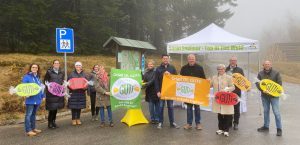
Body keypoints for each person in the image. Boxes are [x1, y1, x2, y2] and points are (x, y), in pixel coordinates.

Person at [256, 60, 283, 136]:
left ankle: (279, 129)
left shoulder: (276, 73)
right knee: (266, 111)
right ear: (263, 65)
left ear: (271, 65)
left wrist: (272, 91)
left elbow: (279, 84)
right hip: (264, 96)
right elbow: (257, 83)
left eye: (268, 64)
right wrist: (262, 90)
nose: (267, 65)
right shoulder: (260, 73)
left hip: (274, 97)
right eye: (265, 64)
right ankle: (266, 126)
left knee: (276, 112)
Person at [180, 54, 206, 130]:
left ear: (195, 59)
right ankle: (189, 123)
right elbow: (180, 79)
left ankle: (198, 123)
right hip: (187, 92)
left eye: (193, 58)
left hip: (197, 92)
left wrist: (207, 83)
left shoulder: (200, 68)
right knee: (189, 108)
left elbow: (203, 79)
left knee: (197, 108)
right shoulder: (184, 68)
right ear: (188, 59)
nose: (191, 60)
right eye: (190, 59)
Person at [155, 54, 180, 129]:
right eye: (164, 58)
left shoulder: (172, 68)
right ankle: (160, 122)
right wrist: (157, 91)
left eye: (167, 58)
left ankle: (172, 122)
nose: (165, 60)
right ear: (162, 59)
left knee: (170, 107)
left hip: (170, 91)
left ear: (168, 59)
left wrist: (171, 75)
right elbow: (156, 81)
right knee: (161, 107)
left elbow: (176, 78)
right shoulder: (158, 69)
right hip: (162, 91)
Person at [211, 64, 235, 137]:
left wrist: (227, 89)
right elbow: (209, 85)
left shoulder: (229, 77)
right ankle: (220, 128)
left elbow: (233, 87)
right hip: (217, 99)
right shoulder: (214, 77)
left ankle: (226, 130)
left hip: (226, 98)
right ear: (217, 70)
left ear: (224, 70)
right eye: (219, 69)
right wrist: (207, 82)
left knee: (227, 114)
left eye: (222, 69)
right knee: (220, 113)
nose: (220, 70)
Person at [23, 63, 45, 136]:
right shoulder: (26, 77)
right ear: (30, 68)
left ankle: (33, 128)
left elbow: (41, 88)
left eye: (36, 67)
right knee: (28, 115)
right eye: (33, 67)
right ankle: (28, 130)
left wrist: (43, 96)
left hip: (37, 99)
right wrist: (26, 94)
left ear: (38, 69)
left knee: (33, 115)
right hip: (30, 99)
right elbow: (24, 87)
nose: (34, 68)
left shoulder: (38, 78)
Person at [44, 60, 65, 129]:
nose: (56, 64)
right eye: (55, 63)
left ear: (59, 64)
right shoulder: (49, 72)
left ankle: (53, 122)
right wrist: (48, 87)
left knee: (56, 109)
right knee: (51, 109)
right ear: (53, 64)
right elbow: (45, 81)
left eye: (58, 63)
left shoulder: (62, 72)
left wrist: (64, 85)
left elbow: (62, 81)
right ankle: (49, 123)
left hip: (58, 93)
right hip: (51, 93)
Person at [225, 56, 244, 130]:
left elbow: (243, 80)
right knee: (229, 107)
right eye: (232, 60)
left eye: (234, 60)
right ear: (229, 61)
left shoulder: (240, 70)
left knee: (236, 108)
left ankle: (236, 123)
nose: (233, 62)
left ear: (236, 61)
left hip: (237, 91)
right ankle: (229, 122)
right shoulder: (226, 69)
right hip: (228, 91)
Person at [68, 62, 88, 126]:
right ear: (75, 66)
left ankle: (78, 119)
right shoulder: (71, 74)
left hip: (81, 92)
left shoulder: (84, 74)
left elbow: (87, 83)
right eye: (77, 65)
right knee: (73, 106)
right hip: (73, 92)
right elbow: (68, 83)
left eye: (79, 65)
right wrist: (70, 88)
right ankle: (73, 119)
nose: (78, 66)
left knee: (79, 106)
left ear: (81, 66)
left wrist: (85, 88)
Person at [143, 60, 159, 124]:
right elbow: (144, 80)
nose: (150, 65)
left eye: (151, 64)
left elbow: (153, 80)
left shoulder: (156, 72)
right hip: (149, 92)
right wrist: (142, 85)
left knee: (157, 106)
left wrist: (146, 84)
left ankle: (157, 118)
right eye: (149, 64)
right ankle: (152, 119)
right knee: (151, 107)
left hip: (156, 91)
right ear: (148, 65)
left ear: (153, 65)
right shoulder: (146, 73)